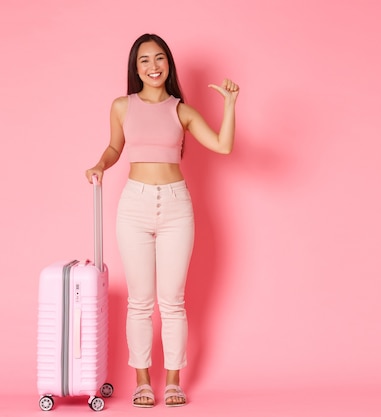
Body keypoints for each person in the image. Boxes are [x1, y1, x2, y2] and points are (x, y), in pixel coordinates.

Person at [85, 33, 239, 408]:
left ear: (168, 64)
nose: (153, 67)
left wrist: (231, 104)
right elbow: (114, 147)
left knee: (172, 302)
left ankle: (173, 381)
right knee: (140, 302)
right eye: (144, 61)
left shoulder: (181, 110)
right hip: (134, 205)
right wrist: (100, 165)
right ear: (135, 68)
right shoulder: (122, 106)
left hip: (176, 207)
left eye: (159, 59)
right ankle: (142, 380)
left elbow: (223, 145)